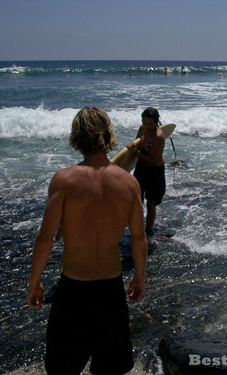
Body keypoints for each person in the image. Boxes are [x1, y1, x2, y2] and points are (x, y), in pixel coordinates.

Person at [26, 107, 147, 375]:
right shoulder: (128, 183)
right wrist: (139, 277)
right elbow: (138, 239)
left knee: (63, 367)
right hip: (111, 287)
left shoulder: (64, 180)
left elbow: (45, 239)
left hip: (73, 288)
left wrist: (34, 282)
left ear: (77, 136)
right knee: (110, 367)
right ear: (108, 135)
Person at [126, 107, 166, 236]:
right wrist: (132, 146)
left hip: (155, 170)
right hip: (141, 168)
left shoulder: (158, 136)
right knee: (137, 200)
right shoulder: (142, 129)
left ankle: (148, 230)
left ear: (156, 122)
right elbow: (137, 143)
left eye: (150, 124)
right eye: (144, 123)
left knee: (151, 203)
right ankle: (136, 228)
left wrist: (135, 152)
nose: (146, 126)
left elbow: (151, 159)